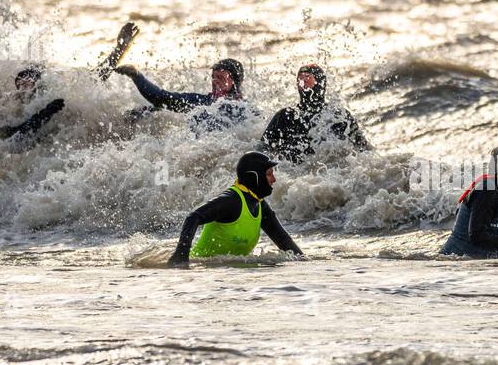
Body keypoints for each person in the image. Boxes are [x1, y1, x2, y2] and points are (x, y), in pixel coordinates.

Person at [168, 151, 303, 266]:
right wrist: (181, 254)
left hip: (236, 282)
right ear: (254, 177)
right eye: (269, 174)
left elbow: (284, 241)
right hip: (206, 272)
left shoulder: (259, 205)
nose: (274, 179)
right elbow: (194, 217)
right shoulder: (231, 201)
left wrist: (303, 262)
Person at [263, 64, 372, 162]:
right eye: (300, 78)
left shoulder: (339, 115)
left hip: (330, 176)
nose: (302, 82)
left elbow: (363, 149)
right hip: (294, 176)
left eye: (307, 77)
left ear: (320, 82)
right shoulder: (285, 115)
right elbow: (262, 148)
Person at [114, 58, 258, 131]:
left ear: (234, 82)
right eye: (213, 77)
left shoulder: (249, 112)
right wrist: (136, 75)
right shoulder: (202, 102)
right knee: (147, 110)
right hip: (198, 157)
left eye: (220, 78)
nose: (214, 82)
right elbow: (161, 97)